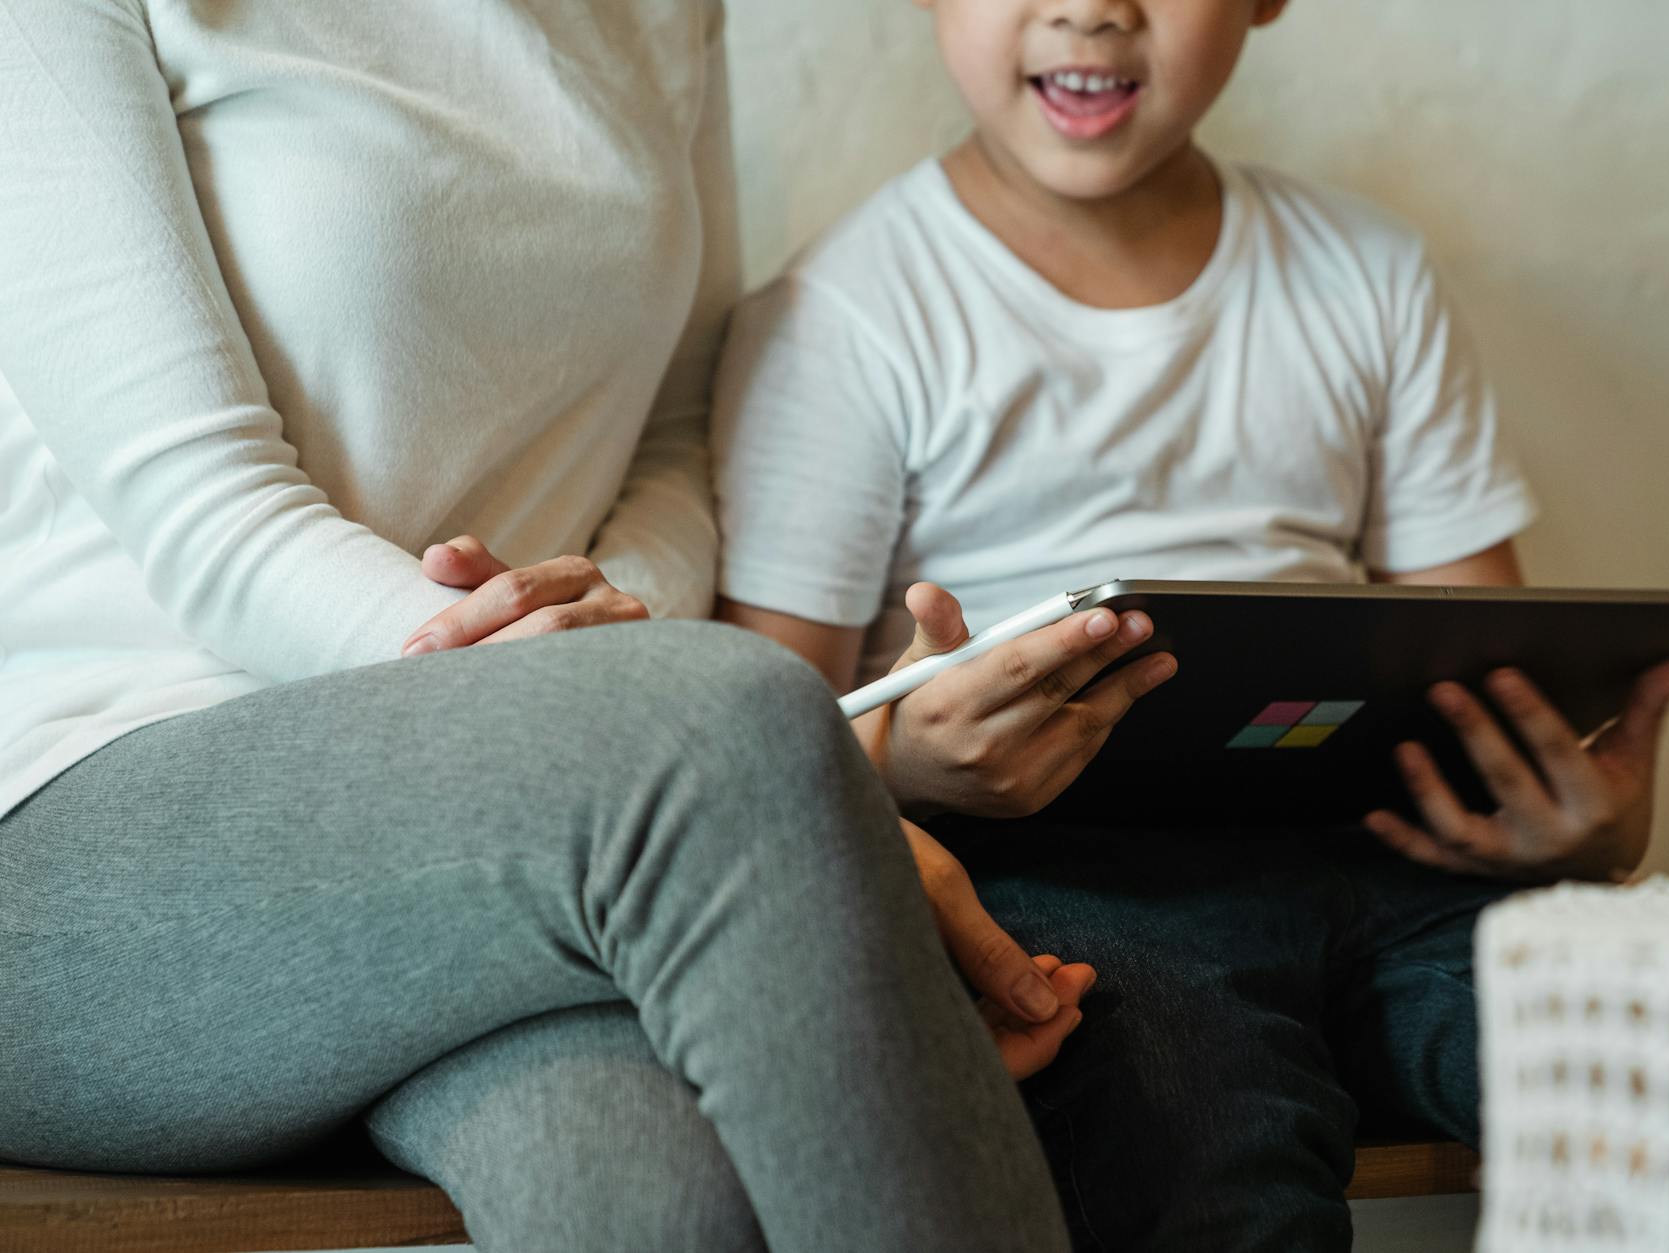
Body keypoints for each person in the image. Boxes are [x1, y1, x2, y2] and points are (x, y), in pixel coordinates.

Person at [0, 3, 1084, 1250]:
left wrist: (614, 696)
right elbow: (201, 505)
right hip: (85, 839)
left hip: (513, 848)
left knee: (664, 1202)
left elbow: (675, 435)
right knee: (729, 718)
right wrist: (694, 757)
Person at [709, 0, 1669, 1249]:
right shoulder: (843, 310)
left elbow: (1478, 649)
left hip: (1396, 862)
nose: (1089, 8)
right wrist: (904, 768)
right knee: (1205, 1171)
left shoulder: (1364, 271)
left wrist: (1565, 817)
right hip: (1067, 886)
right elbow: (748, 752)